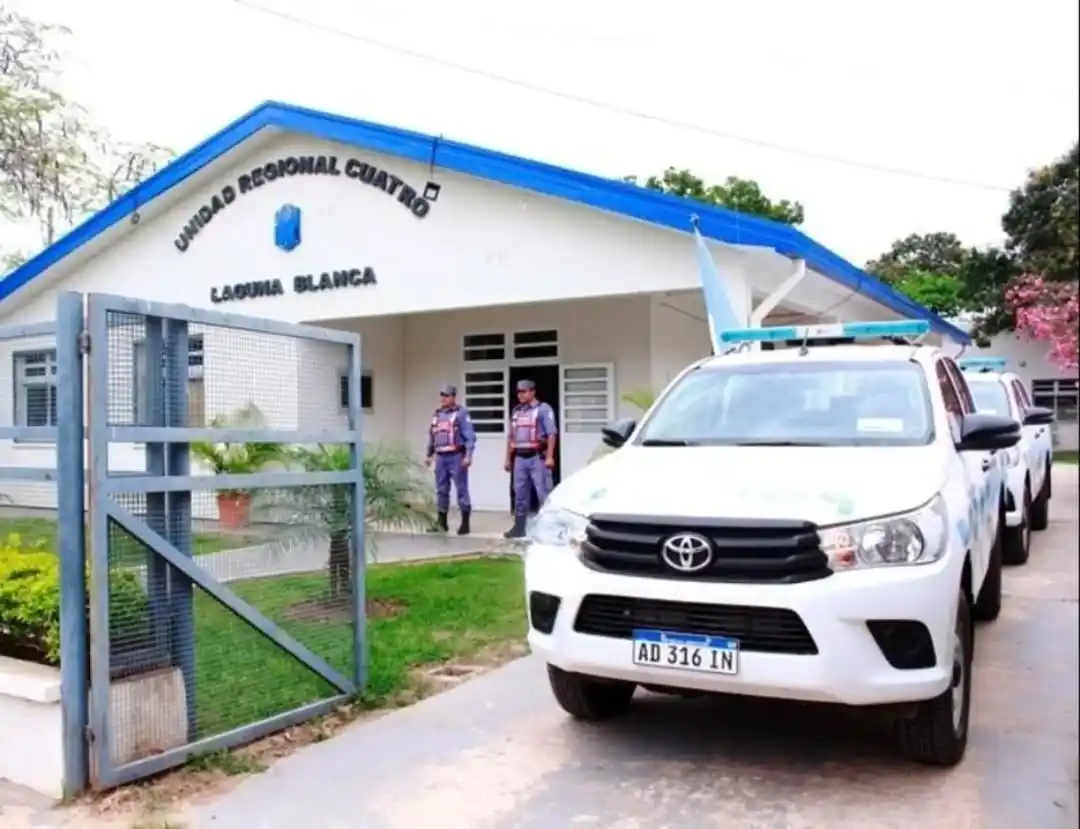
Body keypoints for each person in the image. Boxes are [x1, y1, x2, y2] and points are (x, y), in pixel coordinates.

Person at [504, 379, 557, 539]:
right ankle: (519, 528)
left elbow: (551, 434)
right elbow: (511, 437)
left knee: (544, 493)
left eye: (524, 391)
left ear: (533, 392)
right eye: (519, 392)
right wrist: (507, 459)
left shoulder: (543, 409)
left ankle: (550, 529)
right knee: (519, 494)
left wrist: (549, 457)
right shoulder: (517, 411)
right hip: (520, 457)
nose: (521, 395)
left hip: (537, 457)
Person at [425, 384, 476, 535]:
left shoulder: (461, 413)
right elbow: (432, 436)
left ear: (453, 397)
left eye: (446, 396)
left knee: (461, 489)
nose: (443, 399)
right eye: (442, 395)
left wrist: (468, 455)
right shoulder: (437, 415)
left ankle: (465, 523)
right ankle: (442, 523)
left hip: (456, 455)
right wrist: (429, 455)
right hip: (441, 457)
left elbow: (470, 436)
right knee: (441, 490)